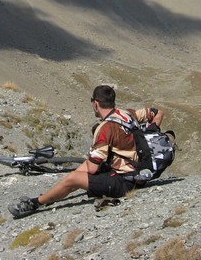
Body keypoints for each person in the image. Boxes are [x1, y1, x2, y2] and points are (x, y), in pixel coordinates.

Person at [8, 84, 165, 218]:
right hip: (140, 172)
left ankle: (36, 203)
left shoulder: (105, 129)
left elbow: (92, 168)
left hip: (125, 182)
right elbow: (158, 113)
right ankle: (52, 194)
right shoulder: (127, 114)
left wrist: (73, 177)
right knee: (78, 175)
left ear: (95, 103)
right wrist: (153, 130)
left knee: (74, 179)